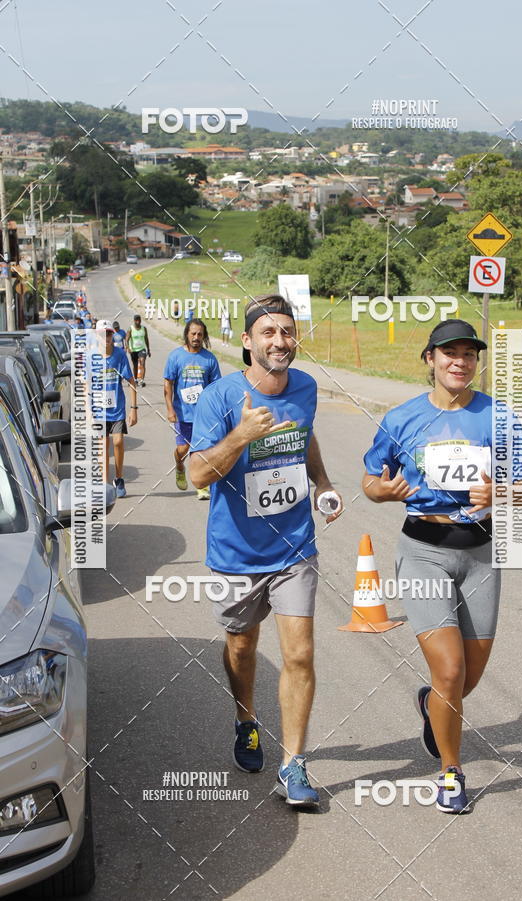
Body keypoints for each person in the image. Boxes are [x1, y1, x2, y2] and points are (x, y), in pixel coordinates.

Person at [362, 319, 522, 814]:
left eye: (468, 354)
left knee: (466, 678)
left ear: (477, 362)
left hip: (480, 552)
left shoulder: (497, 416)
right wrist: (384, 490)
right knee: (451, 668)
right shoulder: (401, 419)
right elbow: (371, 481)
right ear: (430, 359)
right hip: (422, 549)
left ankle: (431, 703)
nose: (459, 361)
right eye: (449, 353)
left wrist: (499, 492)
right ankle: (450, 772)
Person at [189, 295, 343, 807]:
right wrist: (241, 435)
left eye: (288, 332)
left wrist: (320, 481)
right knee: (242, 648)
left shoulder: (305, 388)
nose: (281, 342)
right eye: (269, 333)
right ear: (247, 341)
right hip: (236, 552)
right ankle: (246, 720)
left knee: (299, 653)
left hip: (295, 544)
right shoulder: (219, 397)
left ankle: (294, 763)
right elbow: (195, 474)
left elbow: (305, 436)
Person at [163, 318, 221, 499]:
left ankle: (201, 485)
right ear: (187, 334)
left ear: (204, 337)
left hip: (203, 415)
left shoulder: (209, 359)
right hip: (183, 413)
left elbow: (216, 387)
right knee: (183, 449)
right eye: (193, 334)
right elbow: (168, 384)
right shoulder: (176, 357)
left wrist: (216, 410)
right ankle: (180, 467)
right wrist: (170, 409)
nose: (196, 337)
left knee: (201, 449)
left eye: (200, 334)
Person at [90, 320, 138, 498]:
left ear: (113, 335)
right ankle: (104, 483)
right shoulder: (91, 357)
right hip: (98, 410)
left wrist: (134, 408)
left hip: (117, 409)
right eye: (103, 334)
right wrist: (88, 411)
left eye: (109, 334)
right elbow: (86, 384)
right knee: (104, 445)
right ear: (97, 336)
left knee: (117, 442)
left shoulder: (119, 355)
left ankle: (119, 478)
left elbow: (131, 382)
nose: (106, 337)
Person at [126, 313, 151, 387]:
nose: (138, 322)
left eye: (139, 320)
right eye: (136, 320)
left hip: (142, 349)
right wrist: (128, 348)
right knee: (135, 365)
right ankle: (136, 379)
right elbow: (126, 339)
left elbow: (146, 339)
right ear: (134, 321)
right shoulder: (130, 329)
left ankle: (142, 381)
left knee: (142, 362)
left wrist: (148, 349)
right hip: (133, 350)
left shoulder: (144, 328)